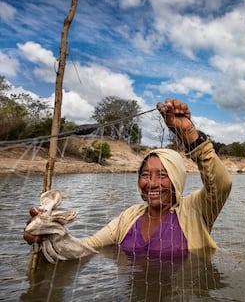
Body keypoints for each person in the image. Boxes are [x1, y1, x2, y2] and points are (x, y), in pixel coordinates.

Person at [24, 98, 232, 261]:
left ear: (177, 178)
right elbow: (86, 247)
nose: (152, 183)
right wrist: (49, 237)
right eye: (145, 175)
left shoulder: (195, 210)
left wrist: (188, 133)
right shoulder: (128, 218)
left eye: (163, 175)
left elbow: (222, 184)